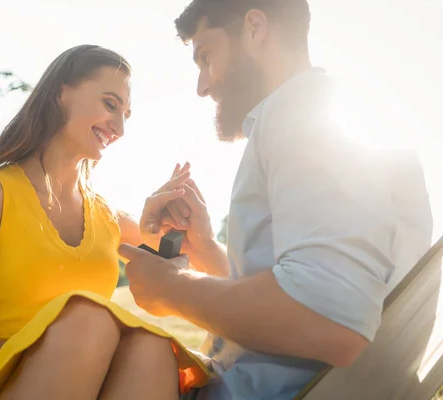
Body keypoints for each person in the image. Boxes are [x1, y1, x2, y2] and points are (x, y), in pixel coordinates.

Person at [119, 1, 434, 399]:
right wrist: (206, 251)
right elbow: (307, 297)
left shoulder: (304, 115)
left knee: (99, 342)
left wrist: (172, 288)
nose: (202, 85)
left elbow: (328, 319)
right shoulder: (341, 120)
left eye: (206, 56)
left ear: (254, 28)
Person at [0, 44, 209, 400]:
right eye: (110, 105)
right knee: (89, 320)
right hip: (9, 377)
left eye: (126, 114)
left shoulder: (107, 216)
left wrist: (170, 221)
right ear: (61, 92)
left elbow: (194, 260)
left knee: (150, 347)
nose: (120, 128)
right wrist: (46, 360)